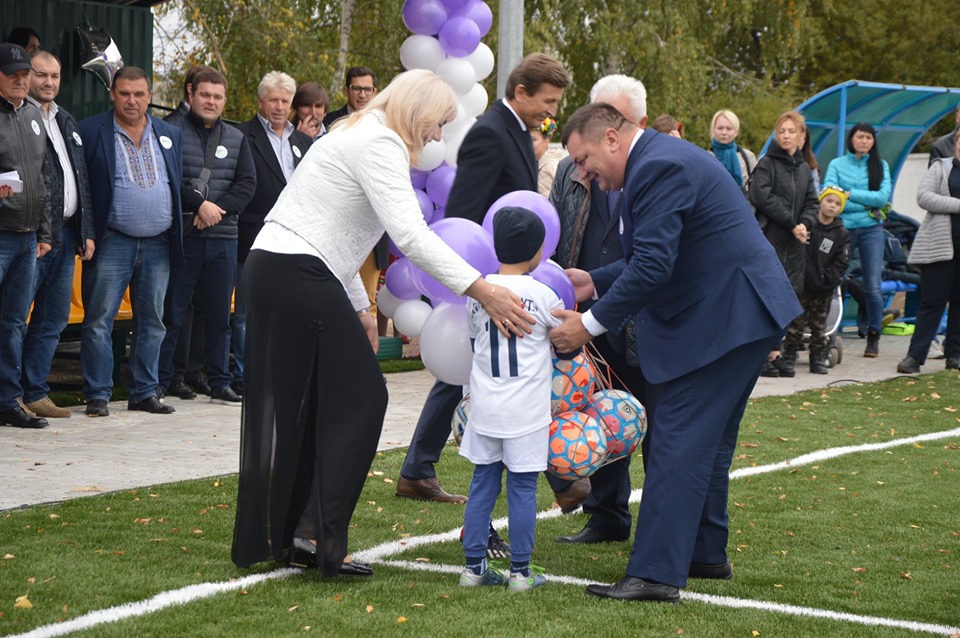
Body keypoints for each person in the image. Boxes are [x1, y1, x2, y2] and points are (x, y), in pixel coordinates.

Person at [231, 69, 535, 578]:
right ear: (418, 112)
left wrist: (360, 307)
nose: (438, 136)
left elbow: (337, 230)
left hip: (279, 267)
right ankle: (317, 536)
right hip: (297, 272)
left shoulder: (354, 131)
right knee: (364, 397)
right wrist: (483, 289)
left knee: (311, 404)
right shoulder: (380, 142)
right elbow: (410, 237)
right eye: (439, 123)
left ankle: (297, 535)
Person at [551, 102, 801, 602]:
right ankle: (704, 554)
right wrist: (593, 281)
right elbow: (659, 253)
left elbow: (653, 266)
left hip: (729, 315)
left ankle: (657, 574)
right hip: (740, 313)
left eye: (583, 159)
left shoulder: (658, 166)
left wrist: (589, 325)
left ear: (612, 139)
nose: (582, 172)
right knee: (707, 445)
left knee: (677, 439)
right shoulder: (654, 163)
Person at [395, 53, 579, 516]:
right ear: (521, 93)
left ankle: (418, 467)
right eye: (547, 102)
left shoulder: (514, 131)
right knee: (498, 366)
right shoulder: (489, 133)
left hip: (505, 273)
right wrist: (483, 280)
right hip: (489, 275)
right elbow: (464, 210)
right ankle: (561, 481)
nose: (552, 112)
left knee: (474, 367)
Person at [550, 74, 649, 546]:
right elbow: (553, 234)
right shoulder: (571, 173)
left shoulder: (653, 172)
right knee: (595, 415)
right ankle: (606, 514)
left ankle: (660, 521)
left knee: (654, 421)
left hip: (642, 317)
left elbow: (651, 261)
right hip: (583, 312)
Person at [460, 207, 566, 591]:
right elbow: (565, 335)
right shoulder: (543, 293)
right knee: (522, 487)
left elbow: (475, 339)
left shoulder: (479, 293)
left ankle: (473, 568)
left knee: (482, 482)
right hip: (526, 411)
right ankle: (520, 572)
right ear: (539, 250)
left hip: (486, 406)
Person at [77, 66, 184, 417]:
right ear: (112, 94)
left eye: (139, 94)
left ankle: (143, 392)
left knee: (152, 321)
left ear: (150, 96)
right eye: (124, 93)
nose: (132, 101)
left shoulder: (169, 133)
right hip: (112, 242)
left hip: (158, 244)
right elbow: (84, 189)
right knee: (99, 320)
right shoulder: (92, 130)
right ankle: (97, 394)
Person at [158, 66, 256, 406]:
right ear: (190, 93)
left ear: (224, 99)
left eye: (217, 96)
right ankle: (163, 380)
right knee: (174, 312)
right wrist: (200, 205)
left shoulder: (236, 137)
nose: (211, 101)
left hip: (223, 238)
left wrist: (216, 210)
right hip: (182, 236)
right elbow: (168, 177)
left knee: (218, 317)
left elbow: (247, 184)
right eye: (205, 95)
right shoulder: (168, 129)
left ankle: (219, 383)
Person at [20, 50, 95, 420]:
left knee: (52, 319)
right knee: (15, 316)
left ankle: (35, 392)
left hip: (66, 236)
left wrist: (87, 230)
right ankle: (11, 392)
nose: (49, 82)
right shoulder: (19, 115)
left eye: (55, 75)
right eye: (42, 75)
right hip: (33, 234)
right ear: (27, 75)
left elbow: (79, 176)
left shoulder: (65, 118)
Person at [234, 72, 313, 394]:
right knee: (246, 313)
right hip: (252, 235)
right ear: (260, 102)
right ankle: (245, 375)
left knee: (288, 310)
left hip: (295, 239)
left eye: (285, 101)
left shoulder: (303, 142)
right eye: (273, 100)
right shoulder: (241, 135)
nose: (279, 107)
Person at [0, 42, 52, 430]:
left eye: (25, 73)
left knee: (15, 322)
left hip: (27, 236)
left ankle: (7, 400)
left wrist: (46, 231)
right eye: (12, 73)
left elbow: (45, 178)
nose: (21, 79)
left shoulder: (34, 114)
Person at [749, 110, 818, 378]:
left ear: (802, 136)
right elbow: (762, 196)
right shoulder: (767, 163)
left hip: (795, 247)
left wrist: (805, 225)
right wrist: (793, 224)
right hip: (770, 241)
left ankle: (776, 352)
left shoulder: (803, 168)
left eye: (791, 131)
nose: (786, 136)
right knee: (765, 299)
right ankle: (762, 356)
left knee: (786, 300)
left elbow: (812, 202)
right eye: (782, 131)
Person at [823, 122, 892, 357]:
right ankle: (826, 332)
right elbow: (829, 194)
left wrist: (849, 194)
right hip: (842, 229)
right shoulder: (837, 164)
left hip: (872, 229)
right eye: (860, 137)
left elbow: (882, 198)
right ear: (852, 139)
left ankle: (873, 335)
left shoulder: (880, 165)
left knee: (873, 285)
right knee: (834, 278)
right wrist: (864, 200)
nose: (864, 141)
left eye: (869, 138)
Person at [896, 135, 960, 374]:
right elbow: (923, 197)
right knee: (931, 302)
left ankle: (954, 354)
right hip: (939, 248)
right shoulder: (940, 167)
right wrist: (958, 204)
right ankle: (914, 357)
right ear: (956, 144)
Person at [784, 186, 851, 374]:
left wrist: (827, 278)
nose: (832, 206)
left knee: (819, 327)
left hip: (823, 289)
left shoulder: (841, 234)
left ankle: (818, 359)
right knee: (795, 324)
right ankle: (789, 356)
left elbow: (842, 261)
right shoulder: (807, 227)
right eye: (829, 201)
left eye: (837, 203)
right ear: (821, 202)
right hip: (801, 286)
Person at [709, 109, 756, 193]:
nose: (724, 132)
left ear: (736, 132)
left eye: (729, 129)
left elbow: (756, 187)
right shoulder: (706, 157)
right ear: (713, 130)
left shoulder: (748, 157)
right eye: (720, 128)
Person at [532, 116, 565, 197]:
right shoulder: (539, 164)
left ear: (546, 141)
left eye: (533, 140)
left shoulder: (549, 166)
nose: (529, 143)